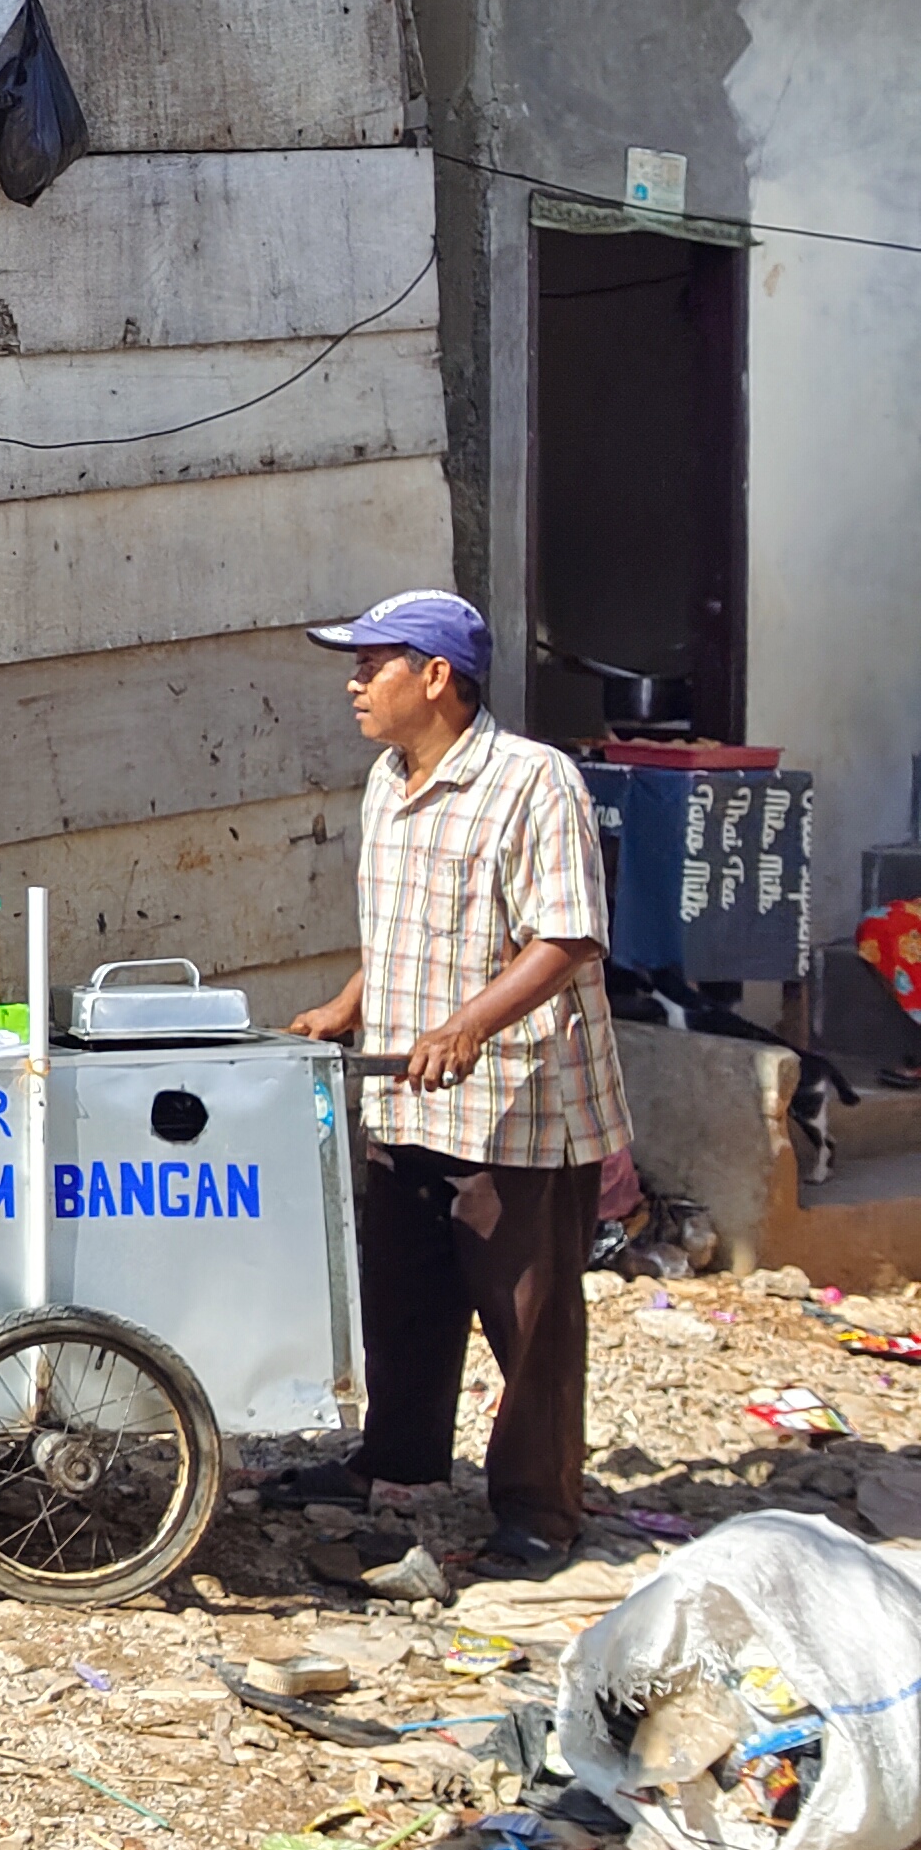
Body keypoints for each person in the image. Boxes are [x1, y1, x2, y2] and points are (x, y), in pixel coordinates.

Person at [283, 589, 631, 1584]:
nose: (354, 683)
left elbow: (565, 937)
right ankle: (394, 1460)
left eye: (372, 664)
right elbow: (403, 926)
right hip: (405, 1087)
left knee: (527, 1318)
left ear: (435, 677)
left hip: (515, 1100)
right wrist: (350, 1003)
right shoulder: (383, 782)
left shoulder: (533, 783)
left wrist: (469, 1025)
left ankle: (536, 1513)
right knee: (403, 1293)